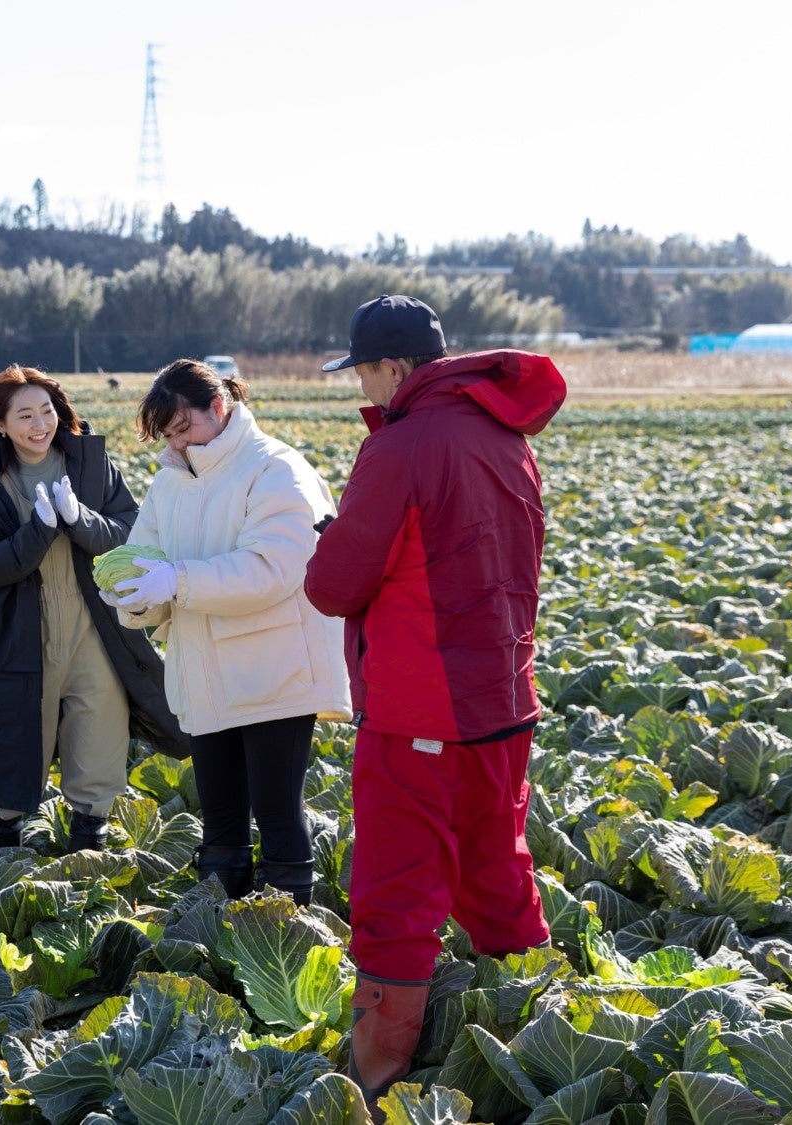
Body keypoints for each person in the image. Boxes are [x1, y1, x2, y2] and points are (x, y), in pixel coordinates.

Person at [303, 295, 568, 1109]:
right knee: (497, 871)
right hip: (504, 697)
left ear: (393, 367)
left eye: (367, 373)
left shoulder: (401, 446)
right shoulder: (507, 436)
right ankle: (552, 1037)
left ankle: (378, 1078)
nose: (368, 390)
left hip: (422, 707)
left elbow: (336, 583)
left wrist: (327, 541)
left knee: (396, 888)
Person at [105, 359, 349, 905]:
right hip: (202, 670)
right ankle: (220, 930)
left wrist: (177, 581)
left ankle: (289, 929)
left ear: (219, 408)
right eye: (170, 435)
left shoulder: (277, 469)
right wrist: (132, 595)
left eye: (185, 427)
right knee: (219, 814)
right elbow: (145, 556)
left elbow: (274, 569)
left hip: (273, 671)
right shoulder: (170, 483)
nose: (181, 443)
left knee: (277, 810)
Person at [0, 365, 187, 852]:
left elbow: (128, 533)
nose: (40, 424)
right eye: (25, 415)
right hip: (14, 635)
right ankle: (3, 861)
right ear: (0, 425)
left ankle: (87, 859)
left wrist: (81, 519)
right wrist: (38, 529)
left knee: (98, 739)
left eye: (47, 411)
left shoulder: (90, 465)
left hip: (93, 629)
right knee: (12, 743)